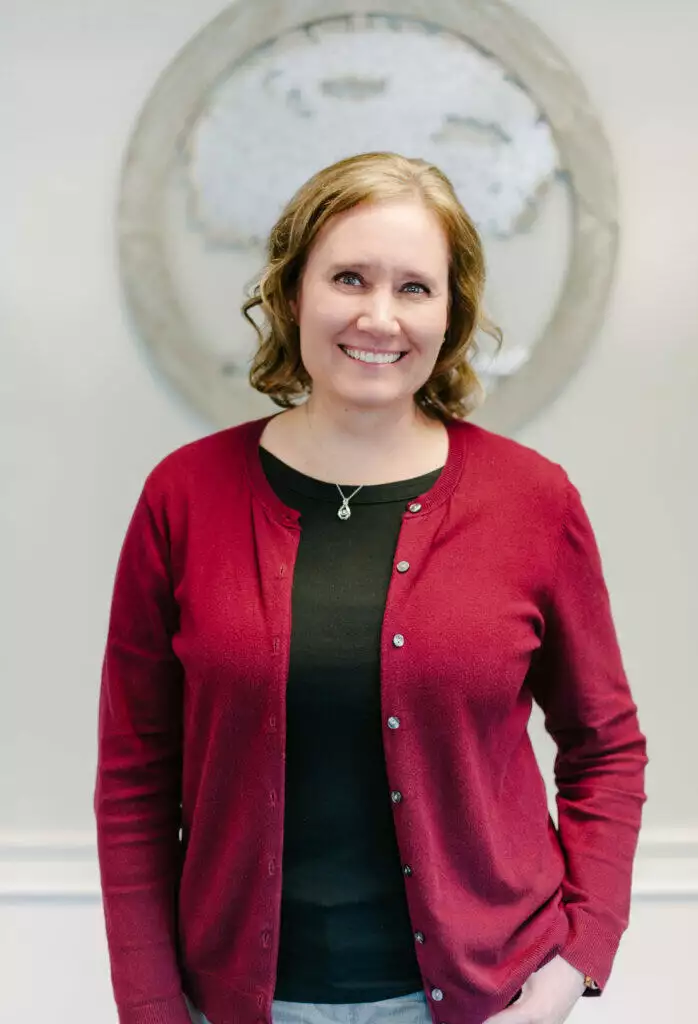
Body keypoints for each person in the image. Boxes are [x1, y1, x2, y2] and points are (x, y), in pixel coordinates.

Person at [94, 151, 648, 1024]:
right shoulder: (183, 496)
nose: (378, 317)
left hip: (485, 1000)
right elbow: (134, 774)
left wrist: (574, 963)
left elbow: (606, 747)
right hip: (237, 1003)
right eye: (348, 277)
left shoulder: (534, 502)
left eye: (415, 288)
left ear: (452, 314)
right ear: (292, 295)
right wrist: (152, 1005)